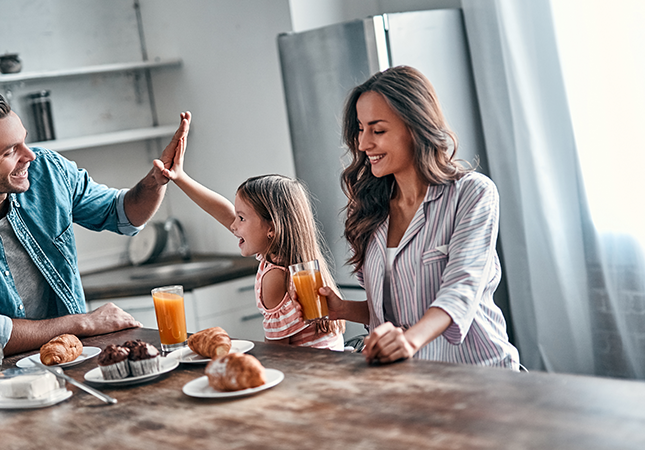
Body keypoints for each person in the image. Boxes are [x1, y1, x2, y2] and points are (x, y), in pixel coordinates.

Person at [0, 84, 190, 355]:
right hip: (3, 380)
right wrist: (84, 323)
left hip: (72, 357)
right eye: (9, 151)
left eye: (23, 141)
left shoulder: (48, 170)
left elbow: (123, 214)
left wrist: (156, 180)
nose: (29, 156)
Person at [319, 66, 520, 369]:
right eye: (360, 129)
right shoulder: (371, 210)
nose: (363, 144)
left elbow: (460, 290)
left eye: (378, 130)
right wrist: (342, 308)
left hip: (479, 376)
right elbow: (395, 311)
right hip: (409, 380)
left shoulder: (472, 194)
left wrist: (409, 341)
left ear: (415, 127)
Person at [155, 131, 344, 350]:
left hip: (311, 374)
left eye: (242, 218)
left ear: (271, 228)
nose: (233, 225)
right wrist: (180, 178)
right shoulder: (282, 257)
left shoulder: (275, 276)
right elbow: (222, 211)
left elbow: (278, 354)